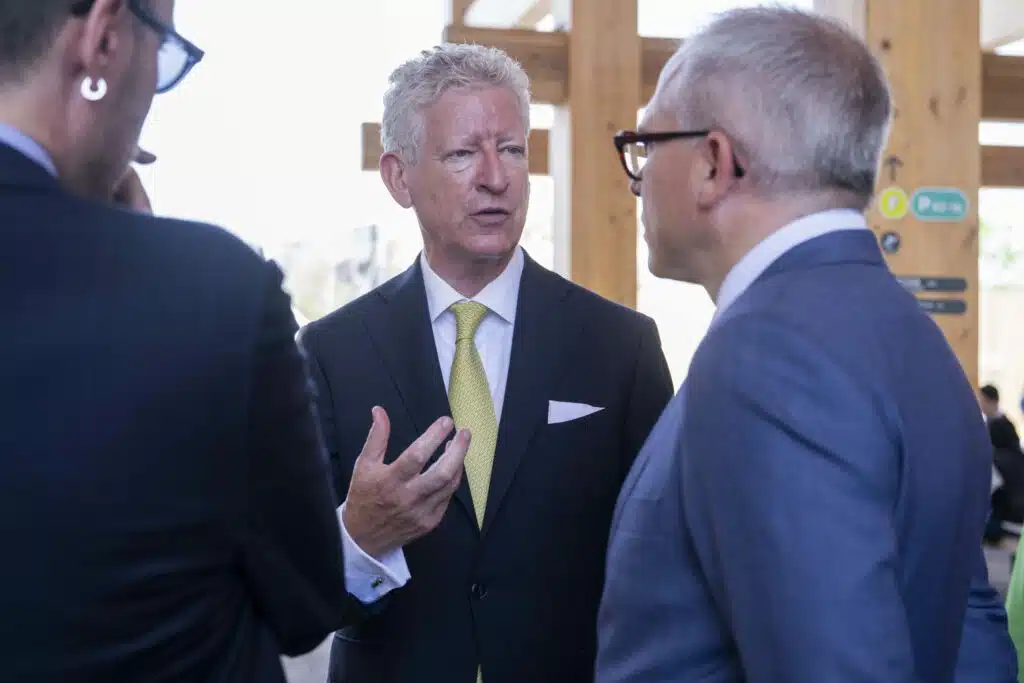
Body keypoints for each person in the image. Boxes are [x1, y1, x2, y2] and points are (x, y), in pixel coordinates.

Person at [0, 1, 471, 681]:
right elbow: (301, 604)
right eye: (165, 53)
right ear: (104, 40)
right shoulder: (214, 293)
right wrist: (143, 255)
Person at [594, 7, 1016, 683]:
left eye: (647, 145)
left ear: (714, 163)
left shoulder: (766, 357)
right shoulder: (917, 339)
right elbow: (972, 644)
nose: (635, 180)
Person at [299, 43, 674, 683]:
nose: (496, 177)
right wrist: (358, 537)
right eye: (463, 154)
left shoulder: (622, 346)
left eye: (513, 149)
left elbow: (667, 569)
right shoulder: (329, 352)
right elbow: (289, 601)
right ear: (398, 178)